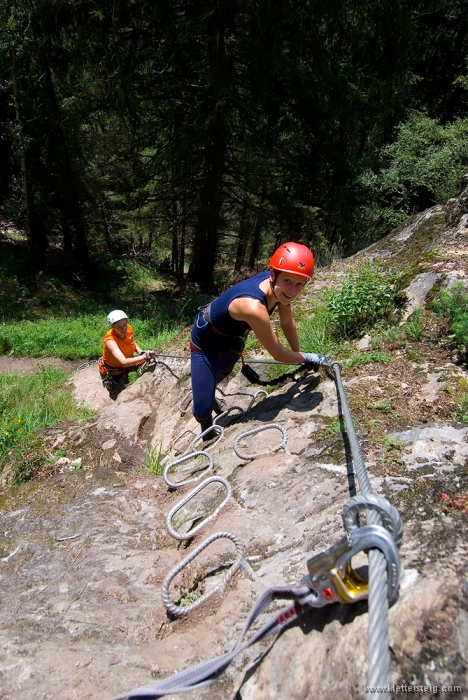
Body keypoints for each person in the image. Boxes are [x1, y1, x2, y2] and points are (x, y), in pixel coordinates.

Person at [190, 241, 324, 435]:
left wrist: (299, 357)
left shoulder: (280, 288)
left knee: (221, 374)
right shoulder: (253, 307)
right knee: (202, 409)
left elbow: (287, 323)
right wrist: (308, 357)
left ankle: (208, 389)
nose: (293, 291)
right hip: (205, 342)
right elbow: (277, 353)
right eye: (288, 281)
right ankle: (206, 429)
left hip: (231, 338)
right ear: (273, 275)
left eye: (299, 284)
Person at [99, 310, 153, 399]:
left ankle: (126, 382)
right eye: (119, 327)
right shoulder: (110, 341)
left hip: (127, 363)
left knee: (147, 363)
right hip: (113, 371)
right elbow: (123, 362)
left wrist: (140, 352)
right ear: (113, 327)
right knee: (119, 397)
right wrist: (144, 357)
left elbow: (132, 342)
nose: (124, 329)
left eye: (124, 325)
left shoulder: (129, 329)